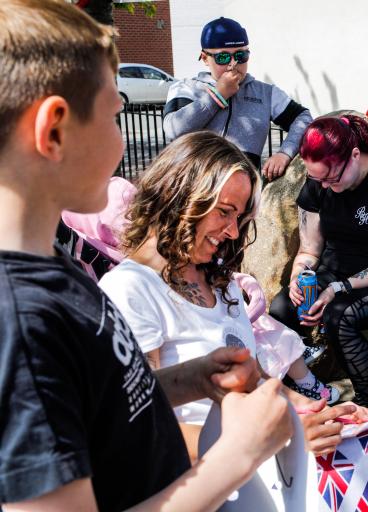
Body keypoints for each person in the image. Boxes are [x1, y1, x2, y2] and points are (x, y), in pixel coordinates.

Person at [0, 1, 292, 510]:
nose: (124, 149)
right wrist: (241, 456)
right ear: (53, 131)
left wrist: (190, 378)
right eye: (116, 116)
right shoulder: (20, 323)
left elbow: (103, 408)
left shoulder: (55, 269)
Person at [98, 131, 340, 457]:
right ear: (178, 196)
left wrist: (312, 411)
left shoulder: (220, 281)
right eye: (224, 211)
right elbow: (142, 424)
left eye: (239, 217)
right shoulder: (130, 290)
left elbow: (252, 378)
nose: (233, 232)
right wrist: (279, 443)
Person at [269, 114, 368, 407]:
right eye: (319, 180)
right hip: (336, 268)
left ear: (355, 155)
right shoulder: (321, 178)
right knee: (280, 311)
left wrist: (338, 288)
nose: (325, 187)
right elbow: (310, 250)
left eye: (332, 178)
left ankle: (367, 404)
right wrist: (298, 279)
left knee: (340, 316)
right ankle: (307, 390)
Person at [163, 17, 312, 181]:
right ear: (205, 58)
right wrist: (218, 95)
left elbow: (303, 117)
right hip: (195, 189)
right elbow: (174, 129)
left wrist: (285, 153)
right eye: (223, 57)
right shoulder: (186, 88)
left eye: (241, 56)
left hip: (242, 193)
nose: (233, 64)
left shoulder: (265, 92)